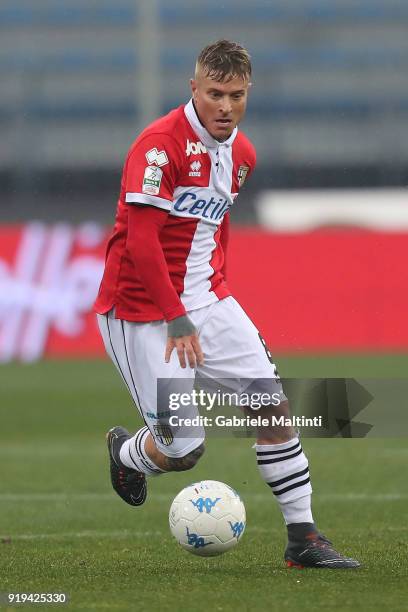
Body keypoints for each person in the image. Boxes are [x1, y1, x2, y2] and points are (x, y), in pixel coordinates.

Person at [94, 40, 359, 569]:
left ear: (247, 93)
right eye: (214, 93)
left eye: (235, 95)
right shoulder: (157, 149)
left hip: (206, 302)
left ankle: (303, 538)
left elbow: (214, 227)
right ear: (194, 89)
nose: (225, 106)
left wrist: (212, 298)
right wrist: (176, 317)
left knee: (271, 402)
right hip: (143, 313)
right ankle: (128, 454)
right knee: (185, 449)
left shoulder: (243, 155)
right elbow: (142, 243)